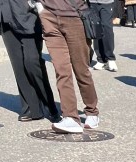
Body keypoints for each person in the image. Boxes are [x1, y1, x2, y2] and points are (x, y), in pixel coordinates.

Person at [37, 0, 99, 133]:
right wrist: (40, 8)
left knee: (81, 70)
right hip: (49, 16)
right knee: (61, 70)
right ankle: (70, 117)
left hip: (74, 16)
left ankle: (92, 111)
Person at [0, 0, 59, 121]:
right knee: (18, 66)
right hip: (4, 15)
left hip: (28, 16)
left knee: (32, 62)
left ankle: (49, 105)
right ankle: (31, 108)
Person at [88, 0, 117, 70]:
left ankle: (110, 58)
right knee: (96, 28)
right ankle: (100, 59)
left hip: (107, 2)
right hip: (93, 2)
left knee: (107, 28)